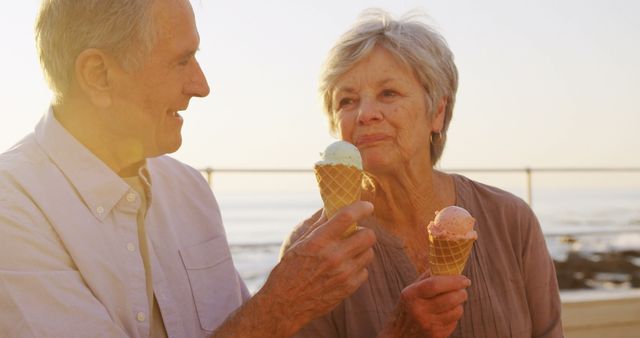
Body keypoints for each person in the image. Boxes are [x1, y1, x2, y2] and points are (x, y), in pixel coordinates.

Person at [0, 0, 376, 337]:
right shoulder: (12, 210)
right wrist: (280, 307)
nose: (202, 86)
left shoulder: (190, 190)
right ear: (98, 74)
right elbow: (263, 320)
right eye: (182, 60)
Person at [282, 8, 563, 338]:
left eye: (389, 93)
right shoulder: (312, 247)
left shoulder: (511, 220)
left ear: (437, 113)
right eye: (347, 100)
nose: (365, 114)